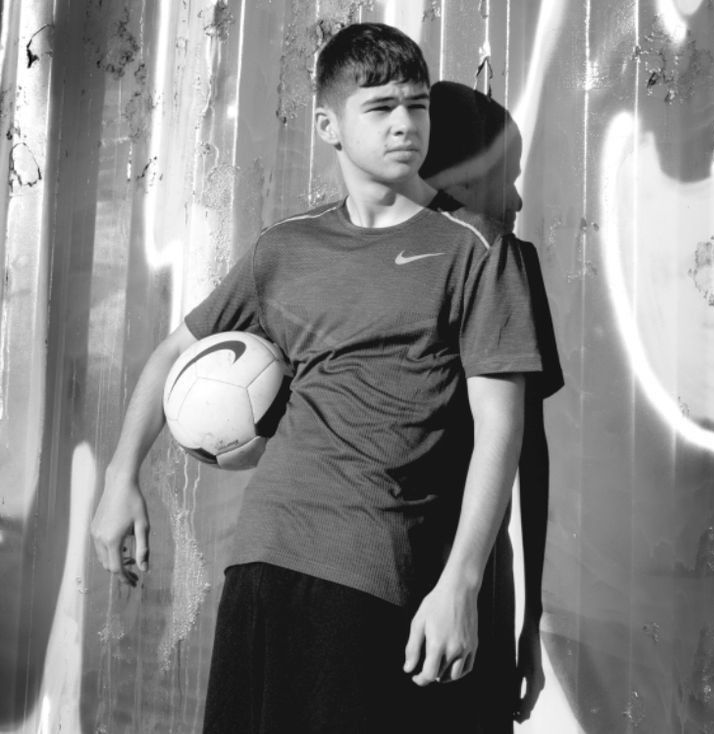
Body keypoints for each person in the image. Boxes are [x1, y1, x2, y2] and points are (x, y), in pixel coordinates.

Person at [91, 22, 544, 733]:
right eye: (381, 107)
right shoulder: (286, 248)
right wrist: (120, 478)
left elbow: (502, 427)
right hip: (262, 562)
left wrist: (462, 581)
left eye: (417, 105)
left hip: (372, 576)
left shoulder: (478, 249)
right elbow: (168, 356)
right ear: (330, 125)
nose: (405, 124)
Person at [421, 80, 564, 730]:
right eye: (503, 177)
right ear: (458, 179)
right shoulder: (495, 257)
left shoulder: (508, 263)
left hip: (470, 589)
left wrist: (529, 618)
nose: (517, 197)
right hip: (394, 586)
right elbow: (530, 457)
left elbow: (524, 453)